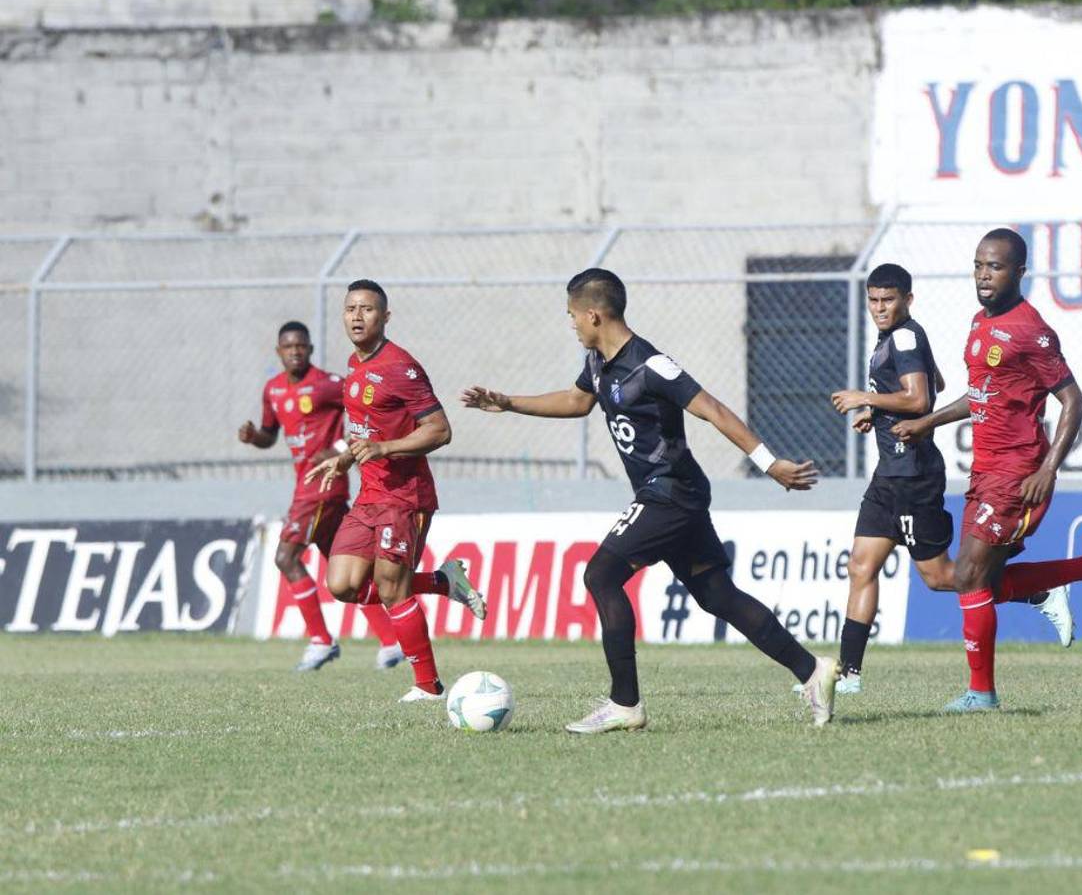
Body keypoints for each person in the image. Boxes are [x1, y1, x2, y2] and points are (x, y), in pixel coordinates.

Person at [462, 268, 840, 733]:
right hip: (667, 494)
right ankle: (812, 671)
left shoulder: (651, 366)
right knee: (717, 595)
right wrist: (508, 402)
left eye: (572, 317)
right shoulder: (600, 363)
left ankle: (625, 704)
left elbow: (714, 410)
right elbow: (577, 402)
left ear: (594, 315)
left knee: (600, 574)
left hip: (671, 494)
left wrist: (769, 463)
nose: (572, 325)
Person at [893, 229, 1082, 712]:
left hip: (1018, 473)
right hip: (984, 470)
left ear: (1019, 272)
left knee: (965, 577)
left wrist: (1047, 468)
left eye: (995, 267)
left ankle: (981, 693)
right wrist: (929, 421)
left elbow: (1074, 401)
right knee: (974, 581)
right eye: (979, 265)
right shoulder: (981, 323)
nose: (984, 275)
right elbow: (983, 395)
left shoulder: (1032, 331)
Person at [828, 264, 1073, 695]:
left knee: (950, 578)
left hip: (913, 475)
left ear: (907, 300)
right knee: (860, 565)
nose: (879, 308)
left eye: (888, 300)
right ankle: (848, 676)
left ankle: (1036, 592)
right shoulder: (900, 336)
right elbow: (935, 381)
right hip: (889, 473)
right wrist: (881, 411)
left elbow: (920, 397)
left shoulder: (903, 336)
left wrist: (866, 397)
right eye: (873, 300)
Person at [306, 280, 487, 703]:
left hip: (406, 497)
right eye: (350, 308)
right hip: (369, 495)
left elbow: (440, 430)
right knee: (343, 584)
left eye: (367, 309)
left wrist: (385, 448)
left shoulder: (401, 368)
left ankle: (428, 686)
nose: (356, 316)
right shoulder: (355, 366)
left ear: (385, 317)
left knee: (391, 589)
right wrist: (347, 458)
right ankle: (445, 583)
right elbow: (365, 430)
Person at [238, 321, 404, 672]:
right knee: (347, 570)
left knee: (286, 556)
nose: (295, 351)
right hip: (306, 486)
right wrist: (255, 437)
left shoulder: (329, 385)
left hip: (323, 487)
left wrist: (340, 448)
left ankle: (321, 640)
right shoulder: (273, 390)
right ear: (279, 351)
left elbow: (366, 411)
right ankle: (392, 642)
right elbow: (270, 435)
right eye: (288, 346)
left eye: (301, 346)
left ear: (310, 349)